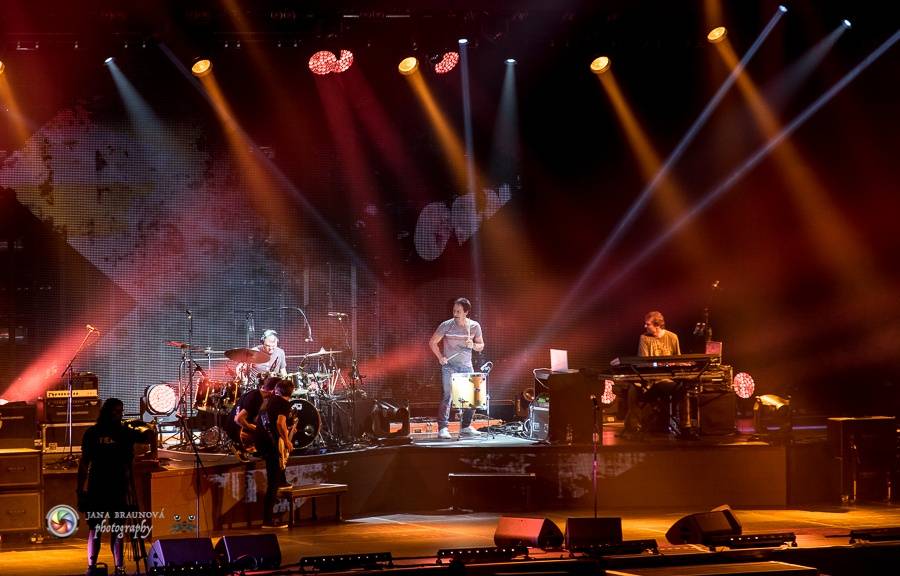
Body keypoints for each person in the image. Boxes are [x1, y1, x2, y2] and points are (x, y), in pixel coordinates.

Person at [77, 398, 154, 576]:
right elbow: (150, 435)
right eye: (117, 411)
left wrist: (80, 490)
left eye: (121, 411)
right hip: (114, 487)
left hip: (103, 487)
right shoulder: (123, 432)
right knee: (109, 529)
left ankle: (97, 567)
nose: (120, 415)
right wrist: (141, 424)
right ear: (109, 412)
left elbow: (84, 464)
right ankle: (115, 568)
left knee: (101, 528)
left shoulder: (93, 432)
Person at [429, 297, 485, 440]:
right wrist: (440, 357)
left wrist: (472, 345)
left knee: (472, 397)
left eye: (459, 311)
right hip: (449, 367)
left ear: (466, 312)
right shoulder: (446, 325)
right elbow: (432, 342)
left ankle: (466, 426)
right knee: (448, 396)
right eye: (454, 311)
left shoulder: (474, 326)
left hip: (466, 366)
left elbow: (481, 346)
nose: (455, 313)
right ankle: (443, 428)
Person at [623, 311, 682, 438]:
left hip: (666, 379)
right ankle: (634, 426)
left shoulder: (672, 337)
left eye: (647, 324)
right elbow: (644, 362)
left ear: (657, 325)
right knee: (633, 390)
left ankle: (682, 425)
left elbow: (677, 361)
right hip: (649, 380)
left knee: (682, 389)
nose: (645, 326)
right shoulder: (644, 338)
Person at [255, 378, 295, 528]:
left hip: (261, 442)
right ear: (291, 392)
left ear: (277, 390)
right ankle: (267, 520)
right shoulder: (284, 404)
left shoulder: (269, 401)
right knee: (273, 483)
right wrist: (287, 440)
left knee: (276, 475)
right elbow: (279, 423)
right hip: (271, 444)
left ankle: (283, 479)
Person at [223, 376, 278, 462]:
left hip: (236, 428)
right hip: (236, 431)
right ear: (274, 390)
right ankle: (240, 447)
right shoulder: (256, 397)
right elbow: (238, 419)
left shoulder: (258, 395)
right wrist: (257, 429)